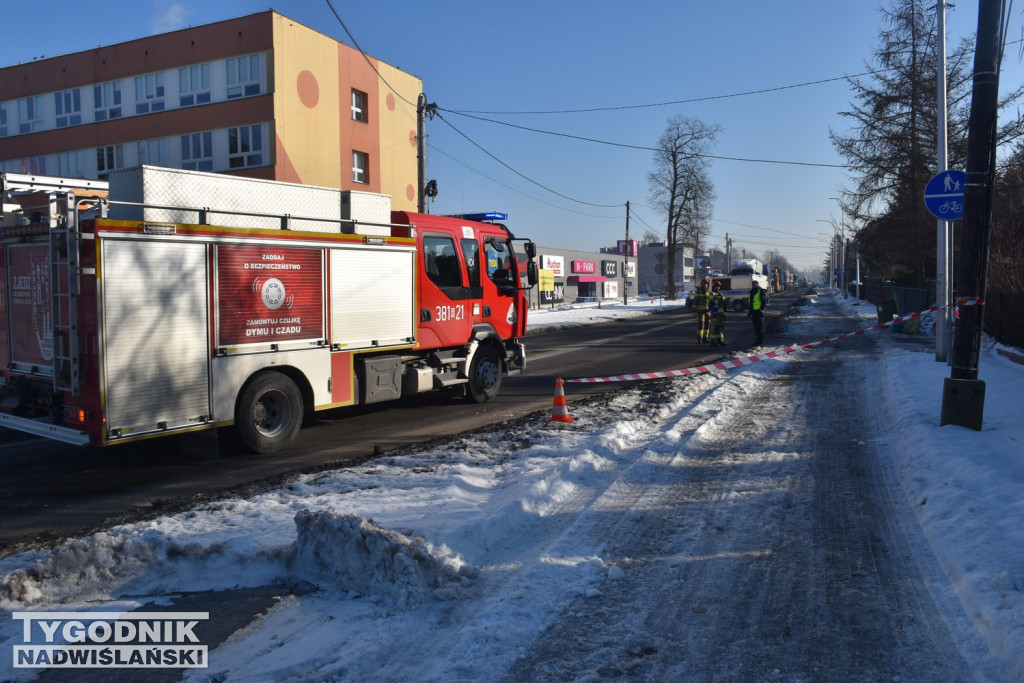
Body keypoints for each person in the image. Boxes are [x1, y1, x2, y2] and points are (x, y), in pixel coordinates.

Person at [748, 281, 768, 347]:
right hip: (754, 312)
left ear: (758, 284)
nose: (754, 285)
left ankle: (760, 341)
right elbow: (751, 303)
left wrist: (762, 310)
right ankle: (757, 341)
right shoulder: (752, 292)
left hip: (759, 311)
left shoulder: (760, 291)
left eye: (756, 284)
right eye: (753, 284)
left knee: (760, 327)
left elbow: (764, 301)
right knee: (756, 327)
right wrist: (750, 312)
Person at [691, 278, 711, 343]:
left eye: (706, 284)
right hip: (700, 312)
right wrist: (694, 311)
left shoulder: (709, 292)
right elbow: (694, 302)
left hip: (708, 312)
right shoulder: (698, 292)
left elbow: (711, 302)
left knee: (707, 325)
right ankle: (700, 338)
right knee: (701, 325)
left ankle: (705, 338)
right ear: (702, 284)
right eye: (704, 284)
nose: (705, 285)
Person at [708, 280, 726, 347]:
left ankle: (720, 341)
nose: (717, 288)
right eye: (716, 286)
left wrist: (724, 302)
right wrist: (719, 301)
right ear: (714, 287)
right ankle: (712, 342)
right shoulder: (712, 294)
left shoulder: (721, 294)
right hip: (714, 314)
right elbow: (711, 302)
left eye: (718, 286)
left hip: (720, 314)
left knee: (720, 328)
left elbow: (723, 304)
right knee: (713, 328)